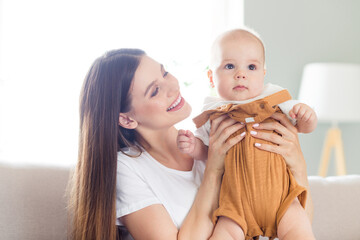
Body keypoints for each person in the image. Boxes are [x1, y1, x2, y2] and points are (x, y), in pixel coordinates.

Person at [68, 48, 314, 240]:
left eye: (164, 73)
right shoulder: (127, 168)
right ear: (126, 118)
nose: (172, 86)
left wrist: (297, 166)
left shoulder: (210, 134)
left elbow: (298, 224)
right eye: (154, 91)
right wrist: (214, 168)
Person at [177, 29, 317, 240]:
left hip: (283, 202)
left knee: (301, 231)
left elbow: (301, 128)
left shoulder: (274, 98)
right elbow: (207, 152)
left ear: (263, 73)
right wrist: (193, 146)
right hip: (235, 209)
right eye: (229, 66)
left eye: (251, 67)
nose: (240, 74)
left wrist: (307, 117)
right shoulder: (214, 113)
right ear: (211, 77)